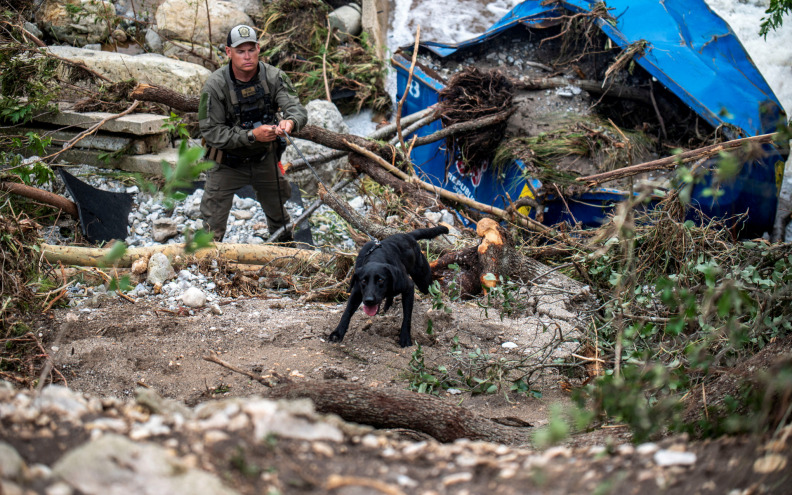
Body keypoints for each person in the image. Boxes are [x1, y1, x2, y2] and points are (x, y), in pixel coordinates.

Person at [198, 24, 308, 243]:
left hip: (264, 159)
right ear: (229, 52)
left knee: (280, 220)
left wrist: (290, 122)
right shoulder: (215, 85)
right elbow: (211, 132)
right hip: (226, 163)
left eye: (251, 50)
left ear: (258, 49)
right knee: (212, 228)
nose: (247, 56)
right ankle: (207, 268)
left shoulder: (275, 77)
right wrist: (250, 136)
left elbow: (297, 110)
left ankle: (286, 257)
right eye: (240, 51)